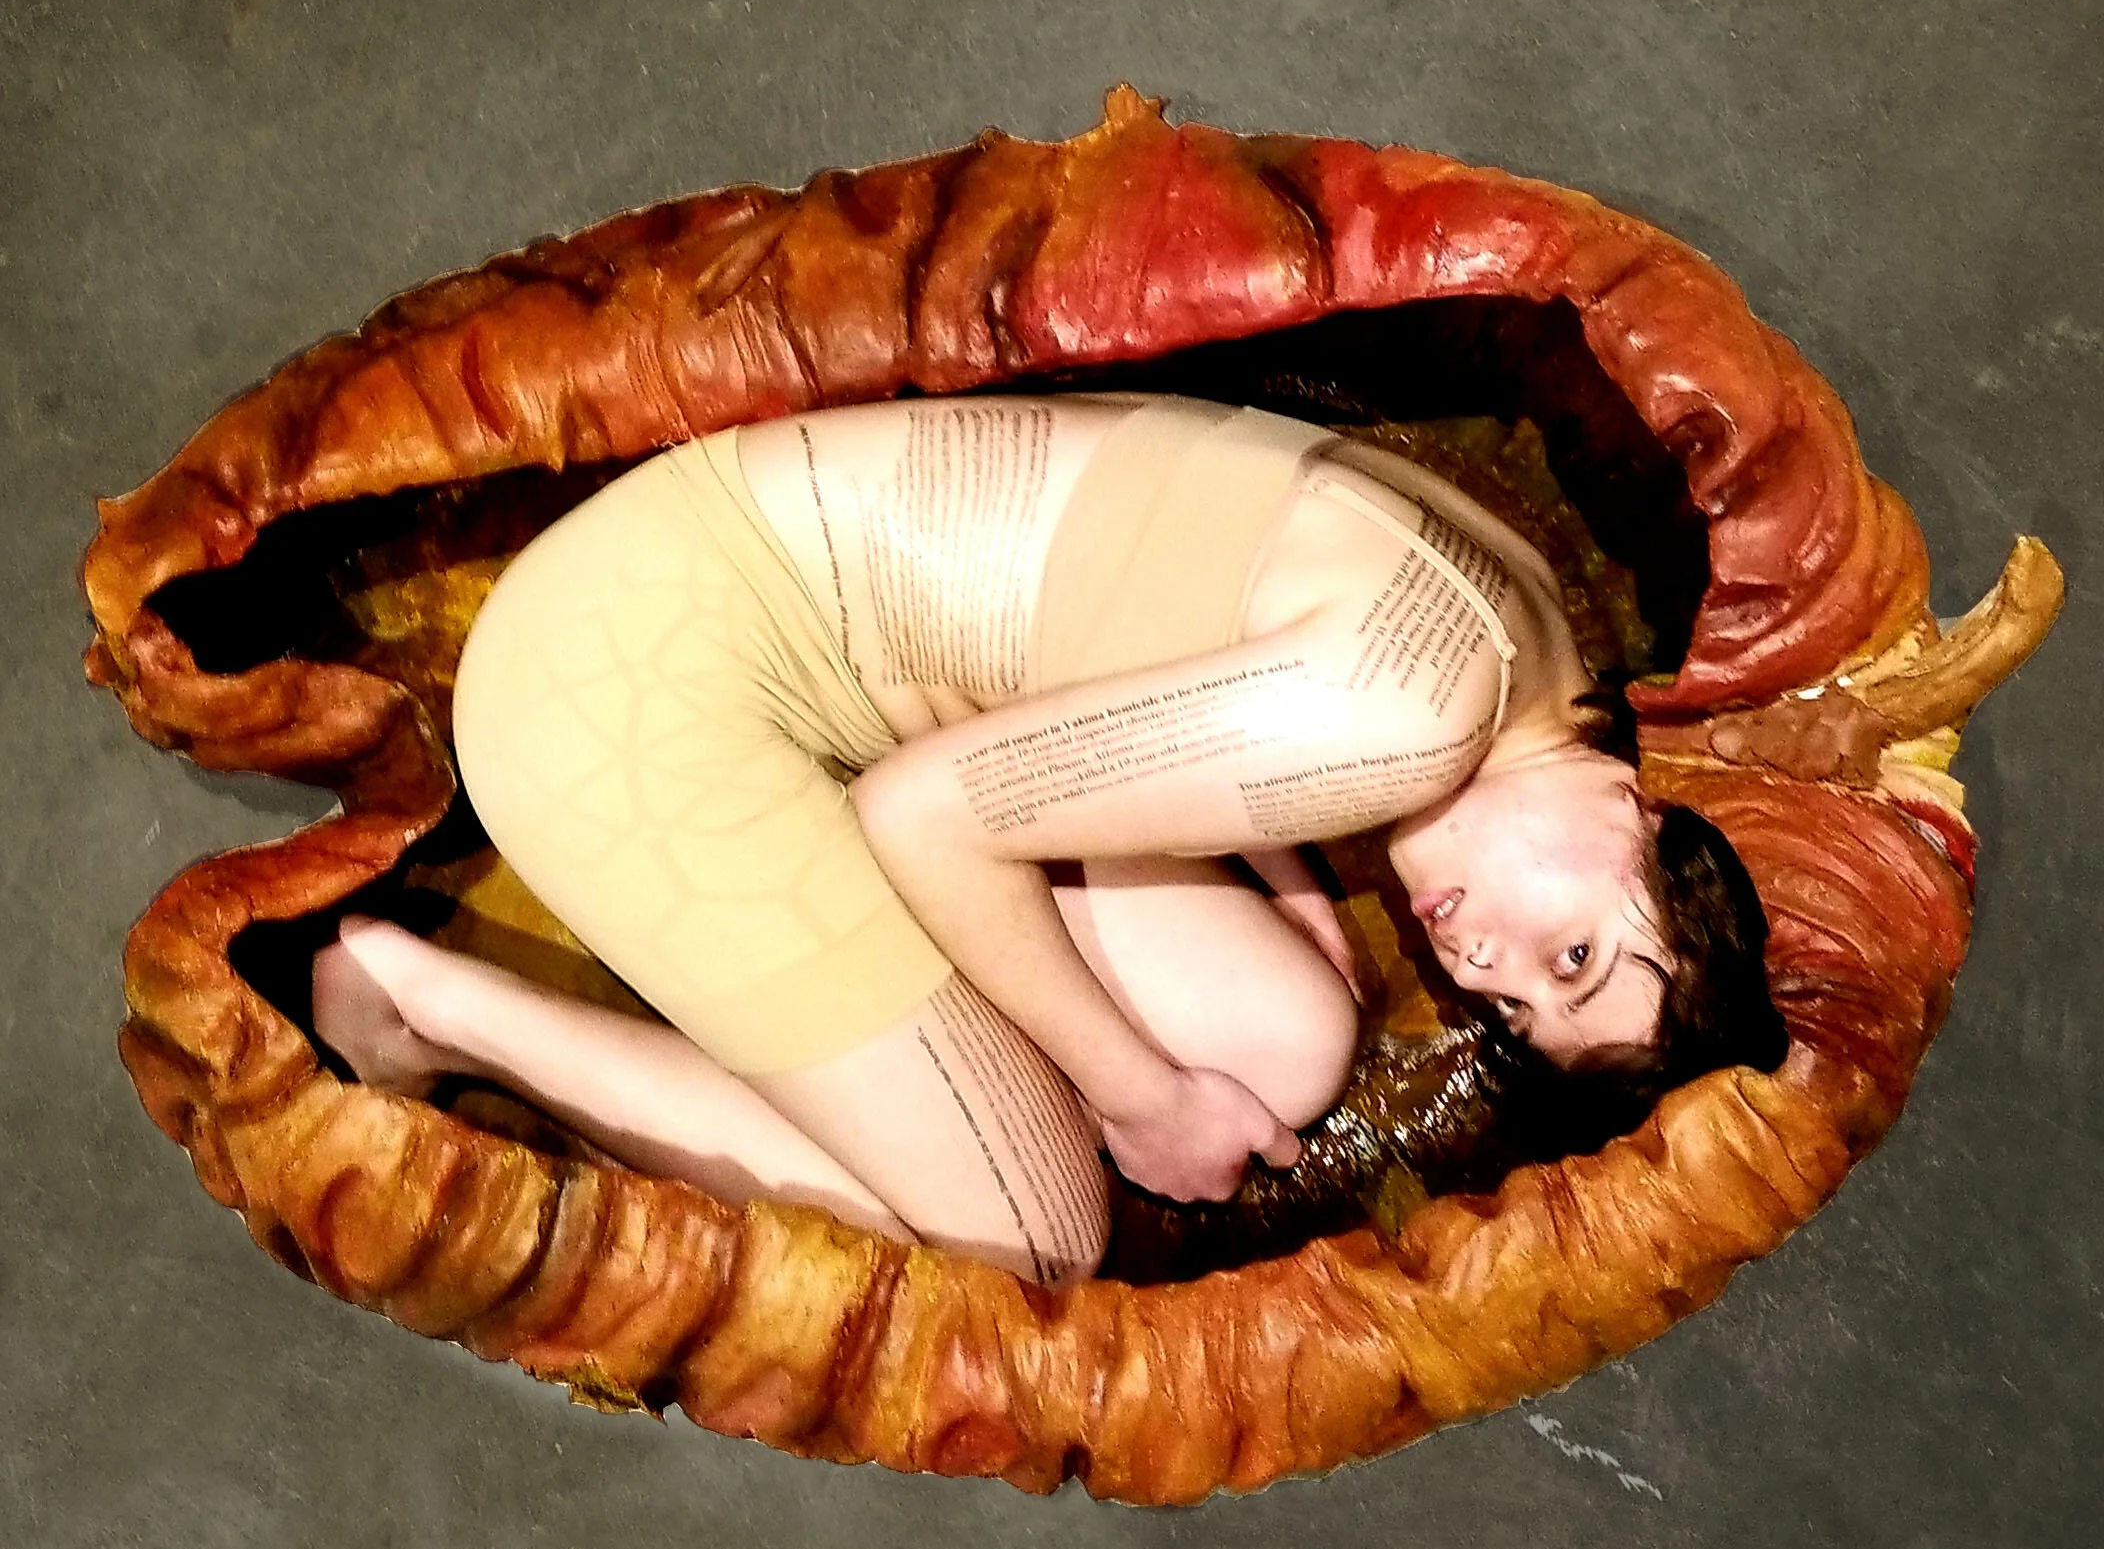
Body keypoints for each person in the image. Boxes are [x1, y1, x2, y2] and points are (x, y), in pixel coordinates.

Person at [310, 392, 1780, 1286]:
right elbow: (922, 815)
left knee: (1287, 1040)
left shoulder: (1518, 630)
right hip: (620, 686)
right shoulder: (1405, 719)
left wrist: (1280, 858)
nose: (1482, 964)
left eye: (1516, 1007)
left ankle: (921, 1047)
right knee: (1033, 1232)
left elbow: (1160, 619)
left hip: (802, 642)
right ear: (1633, 815)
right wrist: (1139, 1099)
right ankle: (420, 1004)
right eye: (1572, 955)